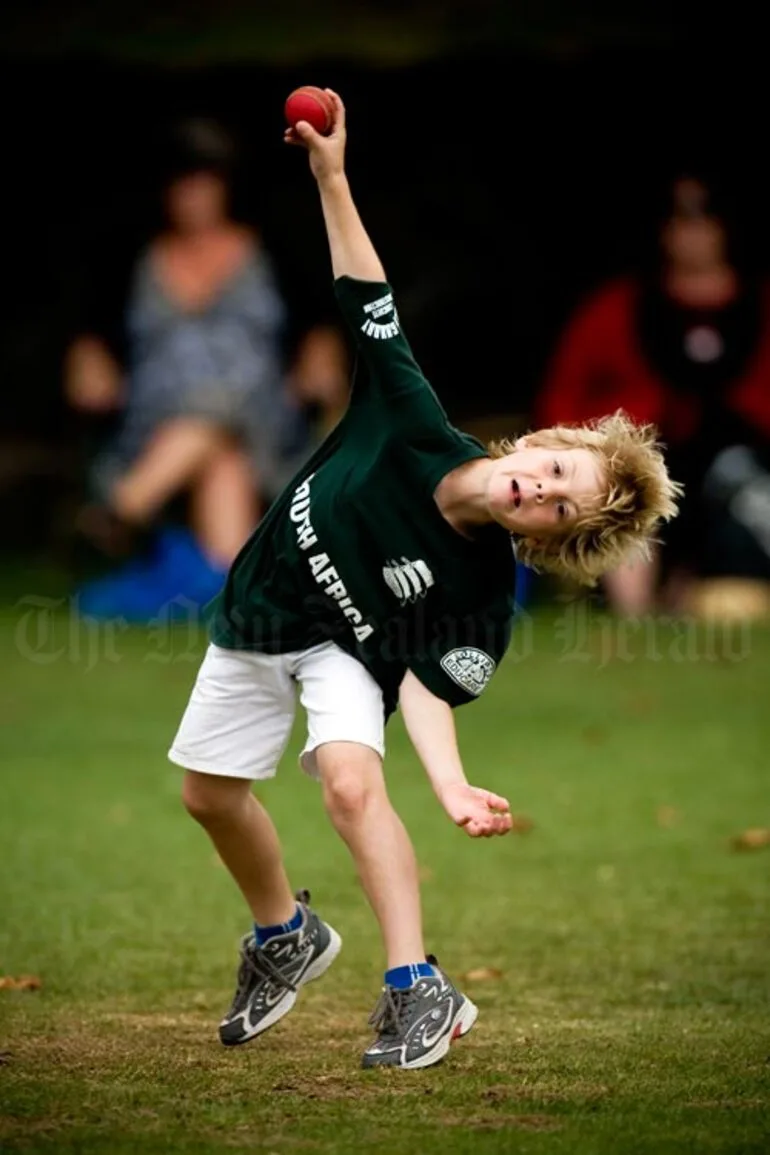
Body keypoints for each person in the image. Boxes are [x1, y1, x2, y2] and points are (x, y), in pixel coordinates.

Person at [168, 91, 680, 1071]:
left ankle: (416, 988)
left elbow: (422, 684)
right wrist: (329, 174)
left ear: (547, 538)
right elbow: (367, 291)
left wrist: (446, 783)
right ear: (545, 440)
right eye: (558, 473)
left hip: (345, 654)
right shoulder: (408, 416)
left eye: (558, 511)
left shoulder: (479, 592)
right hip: (259, 604)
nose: (541, 492)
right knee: (207, 796)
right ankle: (285, 934)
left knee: (352, 784)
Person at [66, 117, 349, 619]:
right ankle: (232, 585)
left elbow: (318, 327)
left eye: (203, 182)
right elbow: (92, 336)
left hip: (264, 416)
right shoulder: (132, 257)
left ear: (225, 187)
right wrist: (88, 360)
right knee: (222, 450)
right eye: (181, 184)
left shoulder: (274, 252)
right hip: (155, 420)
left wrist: (321, 360)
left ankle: (120, 510)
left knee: (225, 413)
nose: (191, 195)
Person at [535, 174, 770, 614]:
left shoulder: (761, 305)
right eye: (681, 218)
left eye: (705, 217)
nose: (693, 233)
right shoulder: (616, 308)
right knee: (624, 488)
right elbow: (561, 401)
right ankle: (636, 622)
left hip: (739, 467)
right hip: (645, 454)